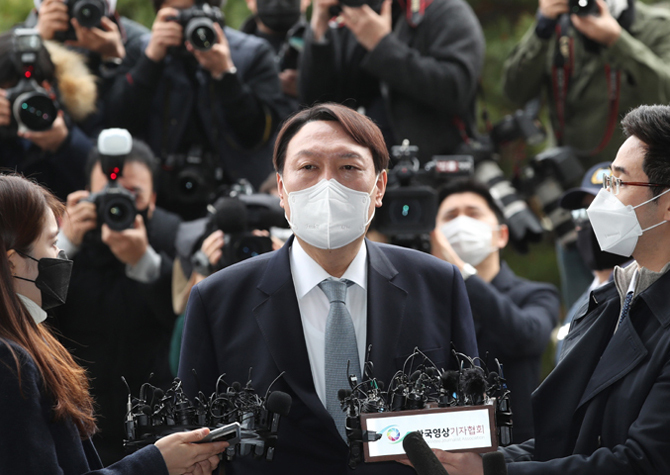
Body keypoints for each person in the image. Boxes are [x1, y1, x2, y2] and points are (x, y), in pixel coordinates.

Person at [177, 103, 478, 474]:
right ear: (282, 189)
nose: (328, 185)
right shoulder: (218, 299)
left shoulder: (438, 284)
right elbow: (194, 445)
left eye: (348, 167)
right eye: (308, 167)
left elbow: (470, 421)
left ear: (379, 186)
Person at [418, 104, 670, 474]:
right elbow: (566, 438)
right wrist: (474, 464)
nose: (603, 200)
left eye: (618, 183)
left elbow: (643, 461)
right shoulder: (614, 297)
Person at [0, 173, 227, 475]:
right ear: (12, 263)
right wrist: (157, 462)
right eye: (53, 242)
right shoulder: (9, 362)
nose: (61, 254)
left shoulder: (20, 341)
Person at [52, 138, 182, 465]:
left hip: (151, 416)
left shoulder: (171, 236)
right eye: (107, 194)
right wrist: (63, 248)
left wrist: (145, 263)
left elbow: (183, 323)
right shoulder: (60, 242)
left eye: (132, 195)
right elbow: (37, 322)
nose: (118, 204)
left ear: (153, 200)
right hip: (79, 417)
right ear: (86, 195)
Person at [106, 0, 291, 218]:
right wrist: (151, 60)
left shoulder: (252, 53)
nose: (188, 24)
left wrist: (225, 74)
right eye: (179, 16)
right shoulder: (142, 50)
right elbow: (118, 123)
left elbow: (259, 137)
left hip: (237, 200)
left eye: (197, 13)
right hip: (159, 200)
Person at [431, 179, 560, 444]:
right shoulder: (428, 301)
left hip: (515, 450)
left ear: (501, 235)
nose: (461, 223)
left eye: (473, 213)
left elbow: (526, 336)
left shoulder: (537, 294)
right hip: (444, 445)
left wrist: (461, 272)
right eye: (450, 216)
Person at [299, 0, 485, 163]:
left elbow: (456, 88)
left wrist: (381, 46)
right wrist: (319, 26)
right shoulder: (345, 20)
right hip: (360, 173)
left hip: (434, 172)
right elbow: (315, 106)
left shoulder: (445, 11)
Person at [502, 0, 670, 168]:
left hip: (629, 171)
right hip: (564, 169)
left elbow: (666, 95)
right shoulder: (557, 25)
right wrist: (542, 29)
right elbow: (514, 93)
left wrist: (617, 41)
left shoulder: (658, 26)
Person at [0, 29, 95, 201]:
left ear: (50, 86)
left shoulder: (76, 112)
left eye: (32, 91)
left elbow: (98, 184)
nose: (24, 104)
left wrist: (66, 143)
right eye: (13, 94)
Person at [554, 162, 630, 362]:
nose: (589, 221)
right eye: (581, 213)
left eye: (602, 210)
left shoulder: (641, 291)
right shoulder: (581, 303)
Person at [240, 0, 310, 111]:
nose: (278, 3)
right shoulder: (230, 54)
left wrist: (313, 86)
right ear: (249, 1)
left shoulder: (330, 49)